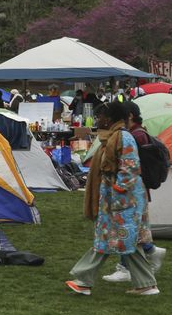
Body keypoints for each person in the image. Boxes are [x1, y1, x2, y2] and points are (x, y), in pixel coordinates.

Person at [65, 101, 159, 296]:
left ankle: (84, 280)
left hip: (123, 200)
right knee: (127, 241)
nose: (98, 119)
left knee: (107, 240)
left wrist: (117, 188)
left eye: (101, 116)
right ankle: (146, 285)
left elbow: (130, 167)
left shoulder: (124, 137)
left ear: (110, 118)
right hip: (116, 199)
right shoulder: (112, 137)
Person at [103, 101, 166, 283]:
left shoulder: (133, 136)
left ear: (128, 116)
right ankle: (150, 251)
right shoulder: (138, 133)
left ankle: (127, 267)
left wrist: (120, 186)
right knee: (133, 228)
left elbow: (130, 165)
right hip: (136, 189)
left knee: (127, 227)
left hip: (131, 190)